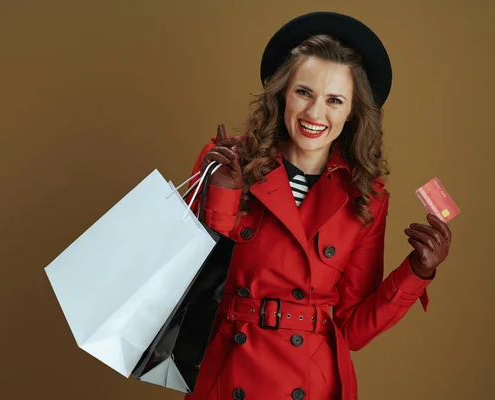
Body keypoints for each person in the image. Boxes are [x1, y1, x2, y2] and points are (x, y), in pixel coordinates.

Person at [184, 12, 453, 400]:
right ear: (282, 93)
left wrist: (417, 272)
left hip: (312, 383)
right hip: (228, 373)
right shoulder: (227, 159)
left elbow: (352, 328)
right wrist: (221, 192)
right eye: (304, 92)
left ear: (352, 111)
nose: (314, 114)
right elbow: (184, 288)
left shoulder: (367, 197)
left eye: (334, 100)